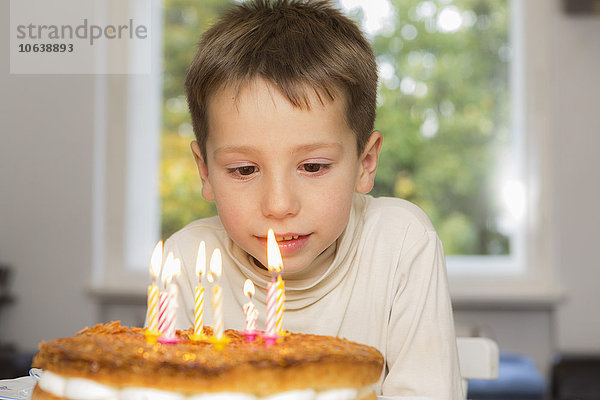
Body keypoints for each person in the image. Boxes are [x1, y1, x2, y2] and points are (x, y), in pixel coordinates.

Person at [165, 0, 463, 397]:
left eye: (313, 167)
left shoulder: (400, 245)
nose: (279, 204)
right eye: (244, 170)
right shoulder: (187, 262)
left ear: (365, 162)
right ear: (205, 171)